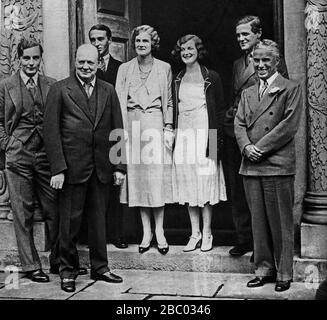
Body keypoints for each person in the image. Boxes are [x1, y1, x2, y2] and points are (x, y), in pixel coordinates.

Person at [44, 44, 126, 293]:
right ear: (75, 62)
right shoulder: (60, 90)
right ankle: (67, 271)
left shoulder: (108, 90)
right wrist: (58, 168)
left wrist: (119, 166)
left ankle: (100, 267)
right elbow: (51, 132)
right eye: (81, 62)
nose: (85, 67)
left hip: (101, 168)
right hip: (72, 169)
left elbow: (117, 131)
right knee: (70, 222)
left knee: (98, 221)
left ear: (99, 63)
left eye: (90, 63)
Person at [234, 39, 302, 292]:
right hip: (250, 165)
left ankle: (284, 272)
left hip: (276, 163)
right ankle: (263, 269)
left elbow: (288, 125)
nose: (261, 65)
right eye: (257, 60)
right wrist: (245, 147)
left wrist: (259, 148)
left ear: (276, 62)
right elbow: (239, 123)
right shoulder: (248, 91)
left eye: (266, 60)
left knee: (280, 221)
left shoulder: (290, 88)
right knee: (258, 221)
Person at [224, 15, 289, 258]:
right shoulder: (237, 64)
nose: (241, 39)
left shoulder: (271, 59)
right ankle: (245, 238)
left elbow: (281, 95)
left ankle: (264, 245)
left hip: (262, 135)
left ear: (258, 34)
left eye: (246, 34)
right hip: (238, 133)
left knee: (264, 194)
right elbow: (237, 98)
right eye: (238, 35)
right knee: (239, 189)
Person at [0, 38, 59, 282]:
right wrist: (10, 144)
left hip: (46, 155)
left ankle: (60, 260)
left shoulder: (51, 85)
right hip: (19, 157)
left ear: (40, 58)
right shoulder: (6, 86)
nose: (31, 63)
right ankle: (31, 265)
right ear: (18, 59)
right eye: (27, 58)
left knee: (55, 208)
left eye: (35, 58)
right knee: (21, 213)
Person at [116, 25, 174, 255]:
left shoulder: (164, 68)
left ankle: (160, 231)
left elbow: (169, 100)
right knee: (138, 181)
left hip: (155, 123)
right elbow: (119, 101)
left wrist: (168, 126)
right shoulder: (124, 69)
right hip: (132, 124)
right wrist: (121, 131)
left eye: (146, 41)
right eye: (138, 41)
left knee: (156, 180)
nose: (141, 44)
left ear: (153, 44)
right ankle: (146, 232)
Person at [171, 34, 227, 252]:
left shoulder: (211, 77)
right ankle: (194, 233)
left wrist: (214, 145)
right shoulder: (177, 78)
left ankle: (207, 233)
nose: (186, 52)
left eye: (190, 49)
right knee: (188, 183)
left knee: (205, 184)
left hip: (205, 133)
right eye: (183, 49)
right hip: (184, 134)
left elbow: (220, 111)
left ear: (198, 51)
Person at [89, 24, 127, 249]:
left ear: (109, 40)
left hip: (113, 132)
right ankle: (94, 235)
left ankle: (117, 233)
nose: (96, 43)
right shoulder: (85, 69)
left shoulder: (120, 69)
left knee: (115, 183)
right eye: (92, 39)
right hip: (91, 136)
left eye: (100, 39)